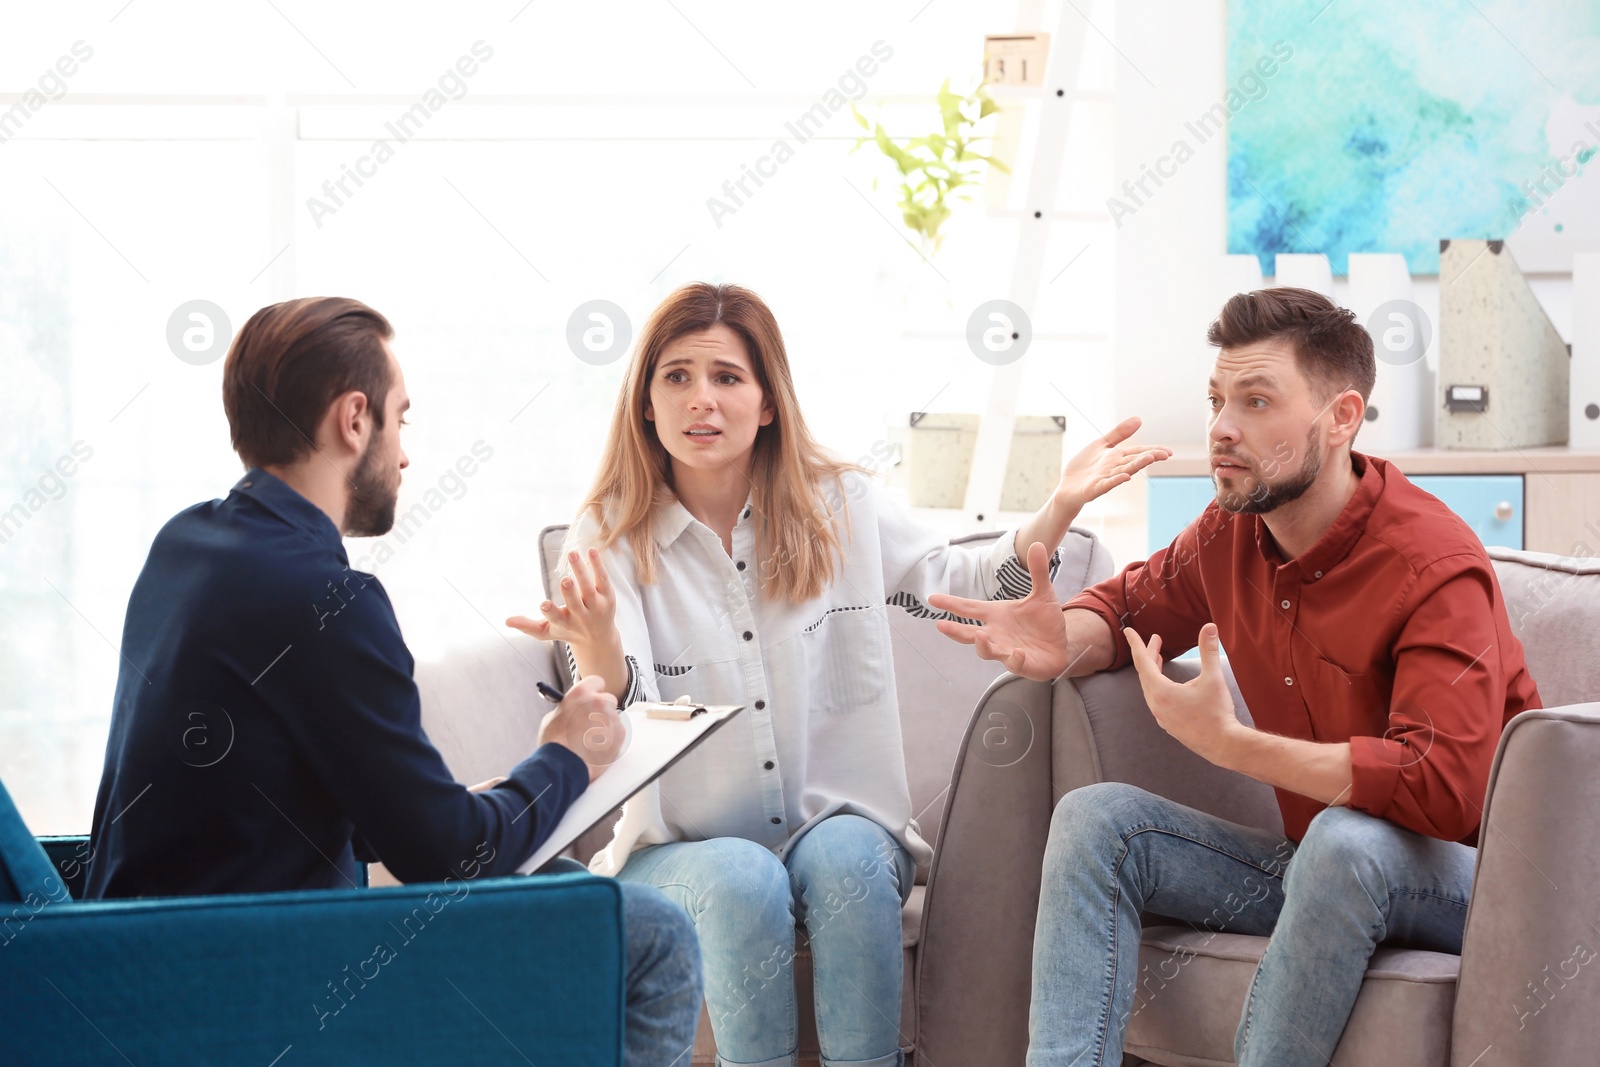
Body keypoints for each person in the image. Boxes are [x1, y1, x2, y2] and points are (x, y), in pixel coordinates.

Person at [507, 281, 1169, 1067]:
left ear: (767, 401)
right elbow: (616, 731)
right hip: (678, 849)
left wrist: (1057, 505)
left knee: (852, 858)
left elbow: (965, 582)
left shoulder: (838, 504)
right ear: (645, 404)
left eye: (726, 376)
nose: (700, 400)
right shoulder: (610, 535)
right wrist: (602, 654)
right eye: (675, 377)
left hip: (841, 826)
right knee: (746, 875)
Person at [929, 287, 1543, 1066]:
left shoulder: (1434, 564)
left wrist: (1234, 745)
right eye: (1218, 398)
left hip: (1475, 883)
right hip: (1319, 867)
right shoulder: (1232, 530)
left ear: (1341, 417)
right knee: (1097, 822)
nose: (1222, 427)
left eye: (1256, 401)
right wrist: (1065, 639)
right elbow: (1126, 608)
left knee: (1346, 840)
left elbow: (1439, 785)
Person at [83, 296, 703, 1065]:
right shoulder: (326, 596)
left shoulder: (185, 544)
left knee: (555, 875)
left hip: (134, 962)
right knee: (655, 937)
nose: (405, 453)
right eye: (400, 418)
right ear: (354, 419)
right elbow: (447, 859)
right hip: (261, 978)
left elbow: (285, 793)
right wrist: (567, 754)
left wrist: (469, 800)